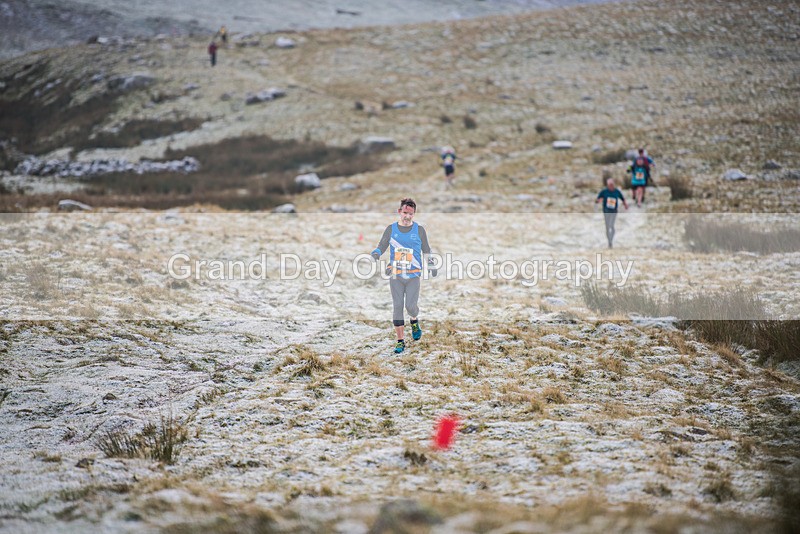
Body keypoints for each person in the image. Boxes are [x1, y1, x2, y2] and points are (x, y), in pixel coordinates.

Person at [371, 198, 437, 354]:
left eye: (411, 214)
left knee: (410, 307)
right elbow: (382, 245)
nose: (407, 216)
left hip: (413, 275)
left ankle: (414, 320)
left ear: (414, 214)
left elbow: (426, 249)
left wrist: (431, 264)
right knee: (398, 306)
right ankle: (400, 341)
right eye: (405, 212)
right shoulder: (391, 229)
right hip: (396, 275)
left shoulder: (419, 230)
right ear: (399, 212)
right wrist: (376, 253)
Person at [596, 178, 628, 248]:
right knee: (607, 227)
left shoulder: (617, 191)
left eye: (612, 185)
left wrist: (625, 205)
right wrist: (599, 200)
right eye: (609, 185)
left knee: (611, 225)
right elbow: (597, 199)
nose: (611, 186)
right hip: (606, 211)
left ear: (614, 185)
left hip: (614, 211)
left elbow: (622, 198)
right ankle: (609, 241)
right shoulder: (604, 191)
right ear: (607, 185)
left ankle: (611, 239)